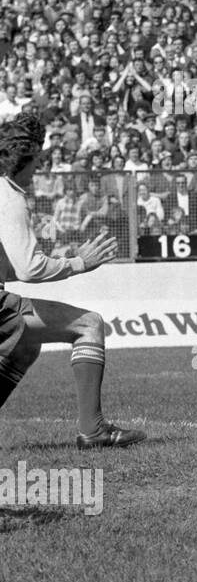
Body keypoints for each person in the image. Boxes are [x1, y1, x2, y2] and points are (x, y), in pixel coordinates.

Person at [0, 114, 144, 448]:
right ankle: (93, 430)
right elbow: (29, 270)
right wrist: (79, 263)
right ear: (25, 157)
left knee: (26, 346)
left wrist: (60, 255)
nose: (39, 168)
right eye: (37, 159)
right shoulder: (10, 198)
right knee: (90, 325)